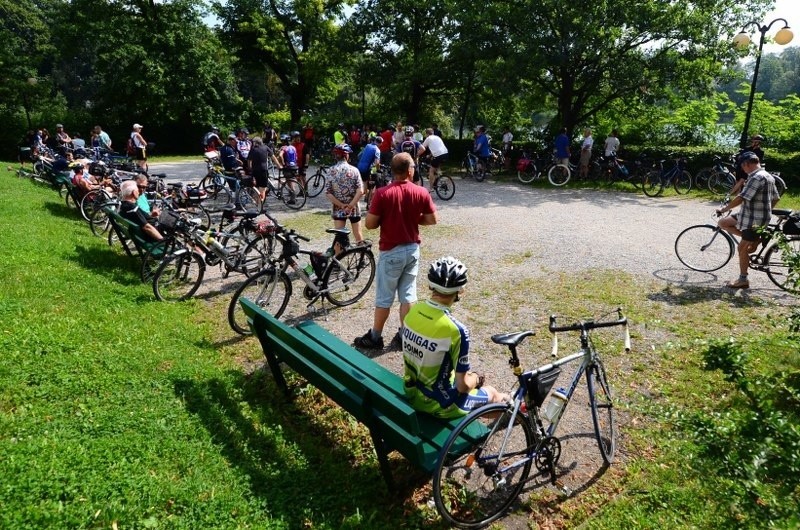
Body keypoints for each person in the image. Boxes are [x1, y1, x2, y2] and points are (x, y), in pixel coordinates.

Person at [402, 256, 509, 418]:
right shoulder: (457, 330)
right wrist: (475, 379)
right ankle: (516, 410)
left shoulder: (412, 311)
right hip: (437, 405)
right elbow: (463, 386)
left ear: (430, 285)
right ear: (461, 290)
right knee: (493, 394)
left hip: (411, 392)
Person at [353, 152, 438, 350]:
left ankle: (375, 337)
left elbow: (370, 224)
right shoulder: (421, 192)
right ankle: (405, 334)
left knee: (384, 297)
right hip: (412, 249)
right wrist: (412, 218)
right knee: (408, 294)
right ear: (409, 170)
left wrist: (389, 217)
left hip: (391, 251)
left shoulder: (383, 193)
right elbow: (432, 219)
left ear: (393, 170)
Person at [715, 151, 780, 289]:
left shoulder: (757, 177)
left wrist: (724, 209)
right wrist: (766, 210)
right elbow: (776, 198)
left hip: (753, 220)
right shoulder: (768, 176)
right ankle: (755, 239)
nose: (742, 169)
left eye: (742, 166)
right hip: (747, 214)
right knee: (723, 223)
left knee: (742, 248)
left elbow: (741, 197)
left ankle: (743, 280)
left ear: (747, 164)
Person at [326, 144, 365, 248]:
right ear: (347, 155)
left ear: (335, 156)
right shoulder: (354, 170)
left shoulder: (330, 171)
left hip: (338, 208)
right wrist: (351, 205)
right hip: (354, 208)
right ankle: (362, 259)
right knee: (358, 235)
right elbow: (360, 191)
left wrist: (342, 205)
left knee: (339, 237)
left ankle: (337, 261)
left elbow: (328, 192)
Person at [248, 136, 283, 203]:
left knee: (257, 187)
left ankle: (258, 203)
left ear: (255, 143)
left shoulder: (253, 149)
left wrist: (250, 169)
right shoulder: (266, 147)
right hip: (264, 170)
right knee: (263, 188)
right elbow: (273, 157)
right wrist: (279, 166)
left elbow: (249, 160)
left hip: (255, 171)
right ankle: (260, 205)